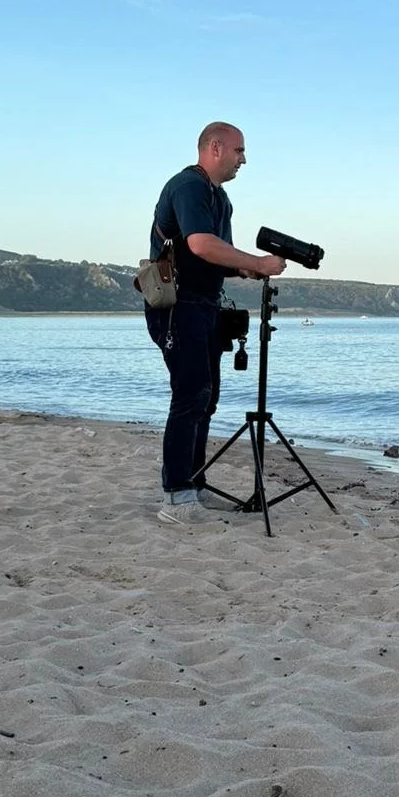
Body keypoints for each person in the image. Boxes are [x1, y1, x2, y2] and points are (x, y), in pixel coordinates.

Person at [146, 122, 285, 521]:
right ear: (215, 147)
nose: (244, 160)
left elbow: (215, 255)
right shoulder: (188, 185)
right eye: (240, 151)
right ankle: (176, 495)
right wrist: (256, 262)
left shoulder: (220, 199)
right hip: (177, 305)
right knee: (190, 394)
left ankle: (195, 484)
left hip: (206, 305)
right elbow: (201, 245)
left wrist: (245, 271)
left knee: (206, 397)